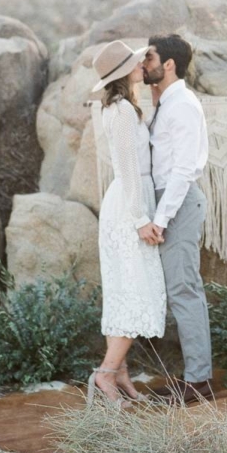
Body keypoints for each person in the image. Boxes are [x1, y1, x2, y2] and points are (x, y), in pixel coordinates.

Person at [87, 39, 166, 408]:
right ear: (123, 73)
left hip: (131, 201)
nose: (141, 64)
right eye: (136, 61)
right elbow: (128, 168)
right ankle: (105, 373)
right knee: (134, 291)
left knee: (124, 291)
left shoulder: (125, 108)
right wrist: (139, 219)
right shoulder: (119, 112)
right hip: (128, 207)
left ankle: (118, 374)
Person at [141, 33, 216, 403]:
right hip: (168, 202)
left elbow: (183, 169)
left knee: (185, 290)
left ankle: (199, 382)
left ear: (168, 64)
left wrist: (162, 218)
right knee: (178, 290)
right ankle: (194, 376)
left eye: (150, 58)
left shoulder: (183, 104)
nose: (144, 63)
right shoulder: (167, 102)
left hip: (179, 203)